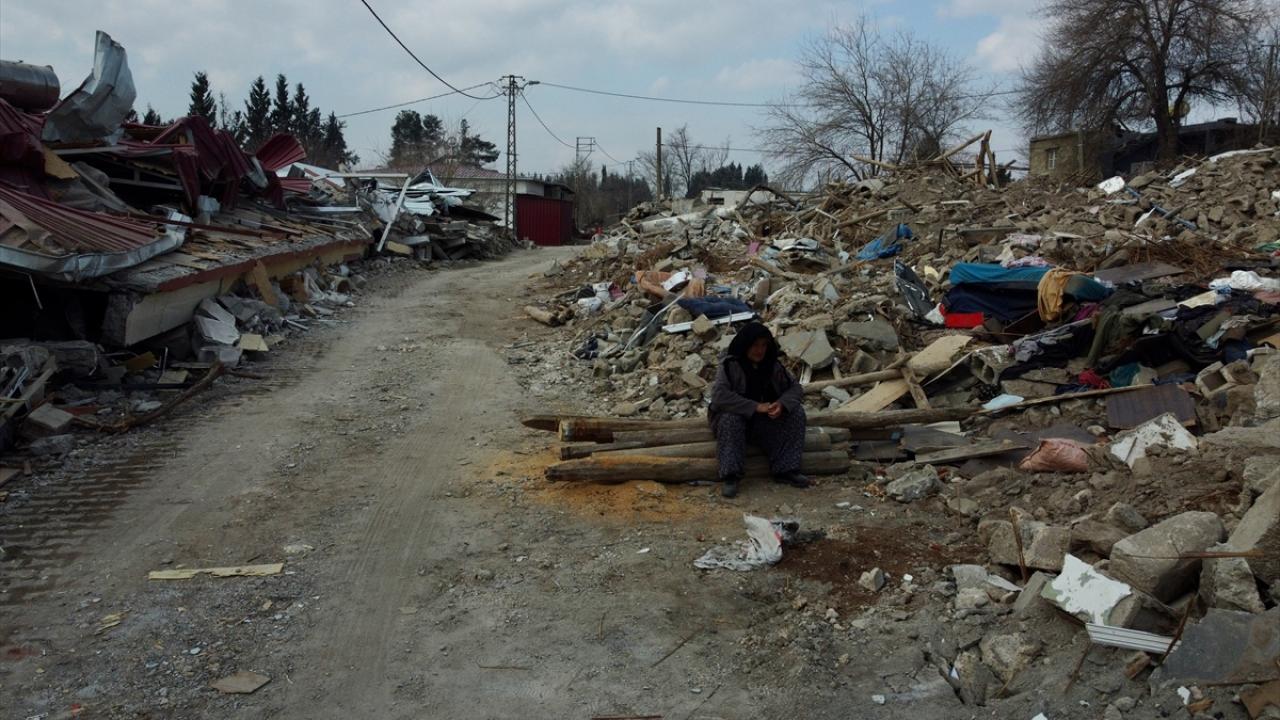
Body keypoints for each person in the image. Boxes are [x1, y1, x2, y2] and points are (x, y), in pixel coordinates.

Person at [709, 322, 810, 498]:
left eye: (764, 345)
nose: (760, 350)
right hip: (736, 422)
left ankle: (786, 470)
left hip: (762, 423)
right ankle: (731, 476)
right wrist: (755, 406)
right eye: (755, 345)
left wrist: (781, 404)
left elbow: (795, 388)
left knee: (796, 412)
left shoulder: (773, 366)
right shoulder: (730, 365)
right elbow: (719, 397)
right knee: (730, 418)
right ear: (746, 345)